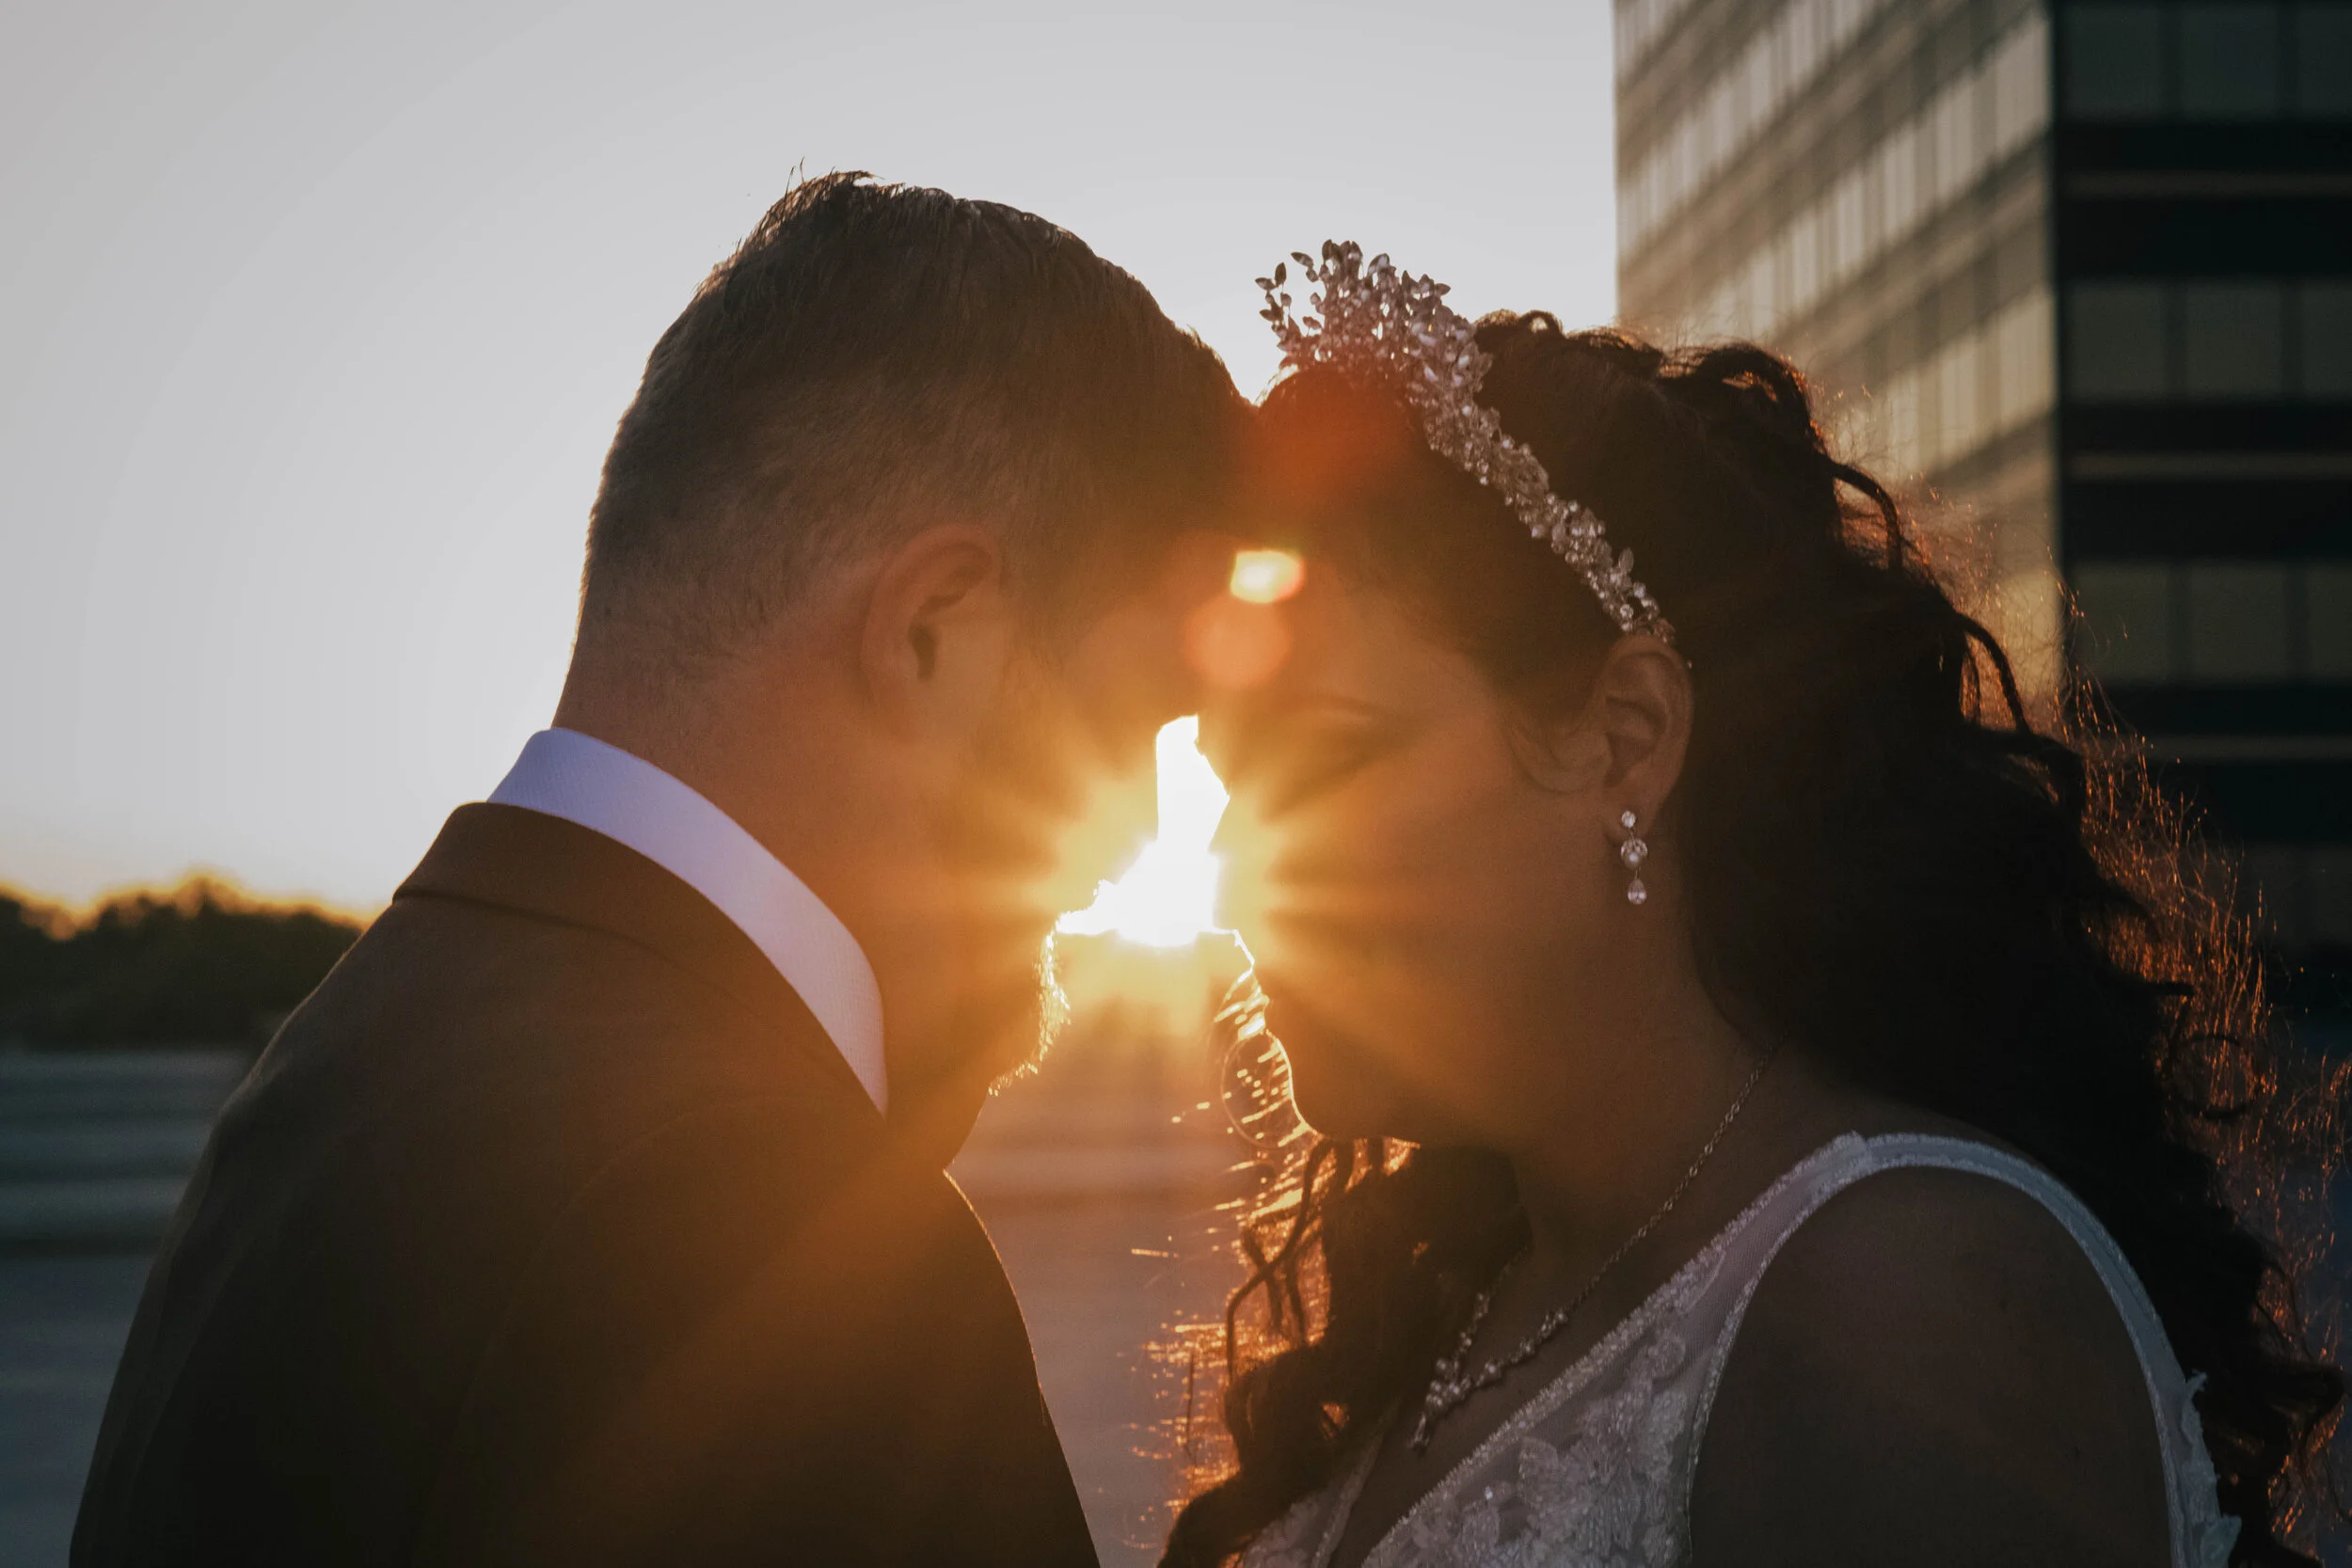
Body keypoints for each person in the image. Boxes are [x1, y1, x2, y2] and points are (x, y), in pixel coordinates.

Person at [74, 172, 1245, 1567]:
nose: (1133, 846)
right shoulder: (792, 1252)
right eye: (1136, 722)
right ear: (935, 631)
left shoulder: (329, 1070)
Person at [1167, 243, 2345, 1568]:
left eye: (1323, 757)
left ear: (1626, 733)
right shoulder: (1465, 1281)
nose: (1235, 864)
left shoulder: (1910, 1302)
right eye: (1224, 779)